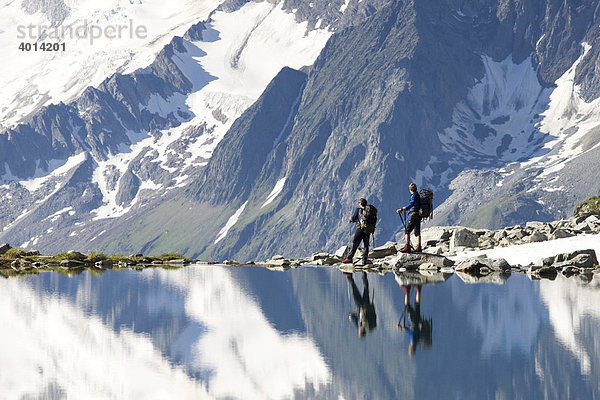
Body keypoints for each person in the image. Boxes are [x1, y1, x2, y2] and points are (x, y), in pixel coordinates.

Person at [397, 285, 432, 355]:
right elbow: (411, 332)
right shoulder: (413, 342)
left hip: (419, 321)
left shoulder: (418, 342)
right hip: (413, 322)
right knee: (407, 306)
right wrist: (401, 328)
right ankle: (407, 290)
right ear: (410, 348)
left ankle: (418, 289)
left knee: (417, 305)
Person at [344, 271, 377, 337]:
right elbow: (355, 317)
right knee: (354, 290)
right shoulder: (361, 324)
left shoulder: (364, 325)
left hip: (367, 305)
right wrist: (351, 316)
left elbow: (355, 317)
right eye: (359, 332)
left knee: (366, 289)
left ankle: (364, 274)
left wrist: (352, 317)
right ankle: (349, 276)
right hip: (361, 306)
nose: (358, 330)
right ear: (361, 331)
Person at [343, 198, 371, 265]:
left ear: (360, 203)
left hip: (360, 230)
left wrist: (351, 218)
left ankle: (349, 258)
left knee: (355, 243)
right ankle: (364, 260)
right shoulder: (369, 211)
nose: (359, 204)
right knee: (366, 245)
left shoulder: (358, 210)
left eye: (359, 202)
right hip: (368, 230)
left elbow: (354, 219)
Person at [396, 183, 422, 253]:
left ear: (410, 189)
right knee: (417, 232)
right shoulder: (418, 195)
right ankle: (419, 246)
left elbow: (411, 204)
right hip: (419, 215)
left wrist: (402, 209)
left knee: (407, 230)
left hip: (414, 215)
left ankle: (407, 246)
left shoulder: (414, 195)